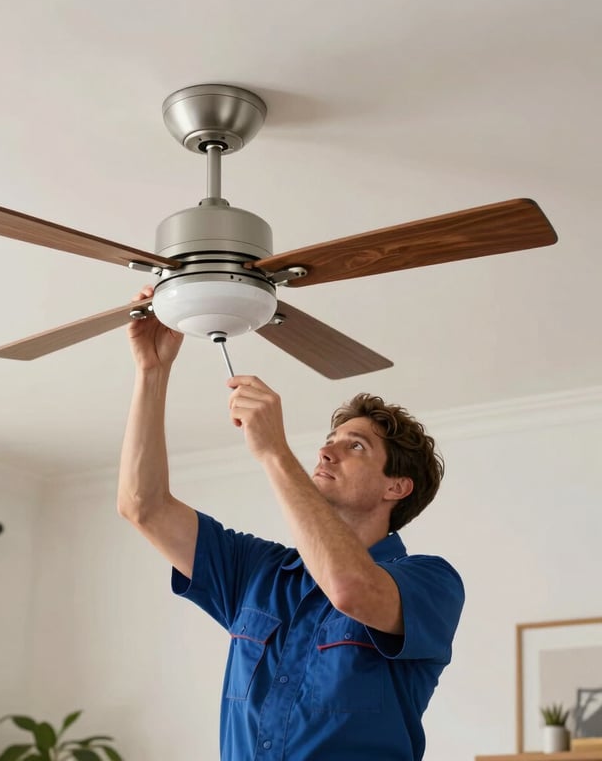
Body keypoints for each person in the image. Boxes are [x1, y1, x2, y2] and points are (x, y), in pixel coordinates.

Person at [117, 286, 465, 761]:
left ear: (396, 487)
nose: (326, 451)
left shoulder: (430, 582)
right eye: (331, 439)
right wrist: (152, 372)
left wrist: (274, 452)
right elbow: (144, 505)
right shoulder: (257, 573)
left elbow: (350, 589)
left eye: (355, 446)